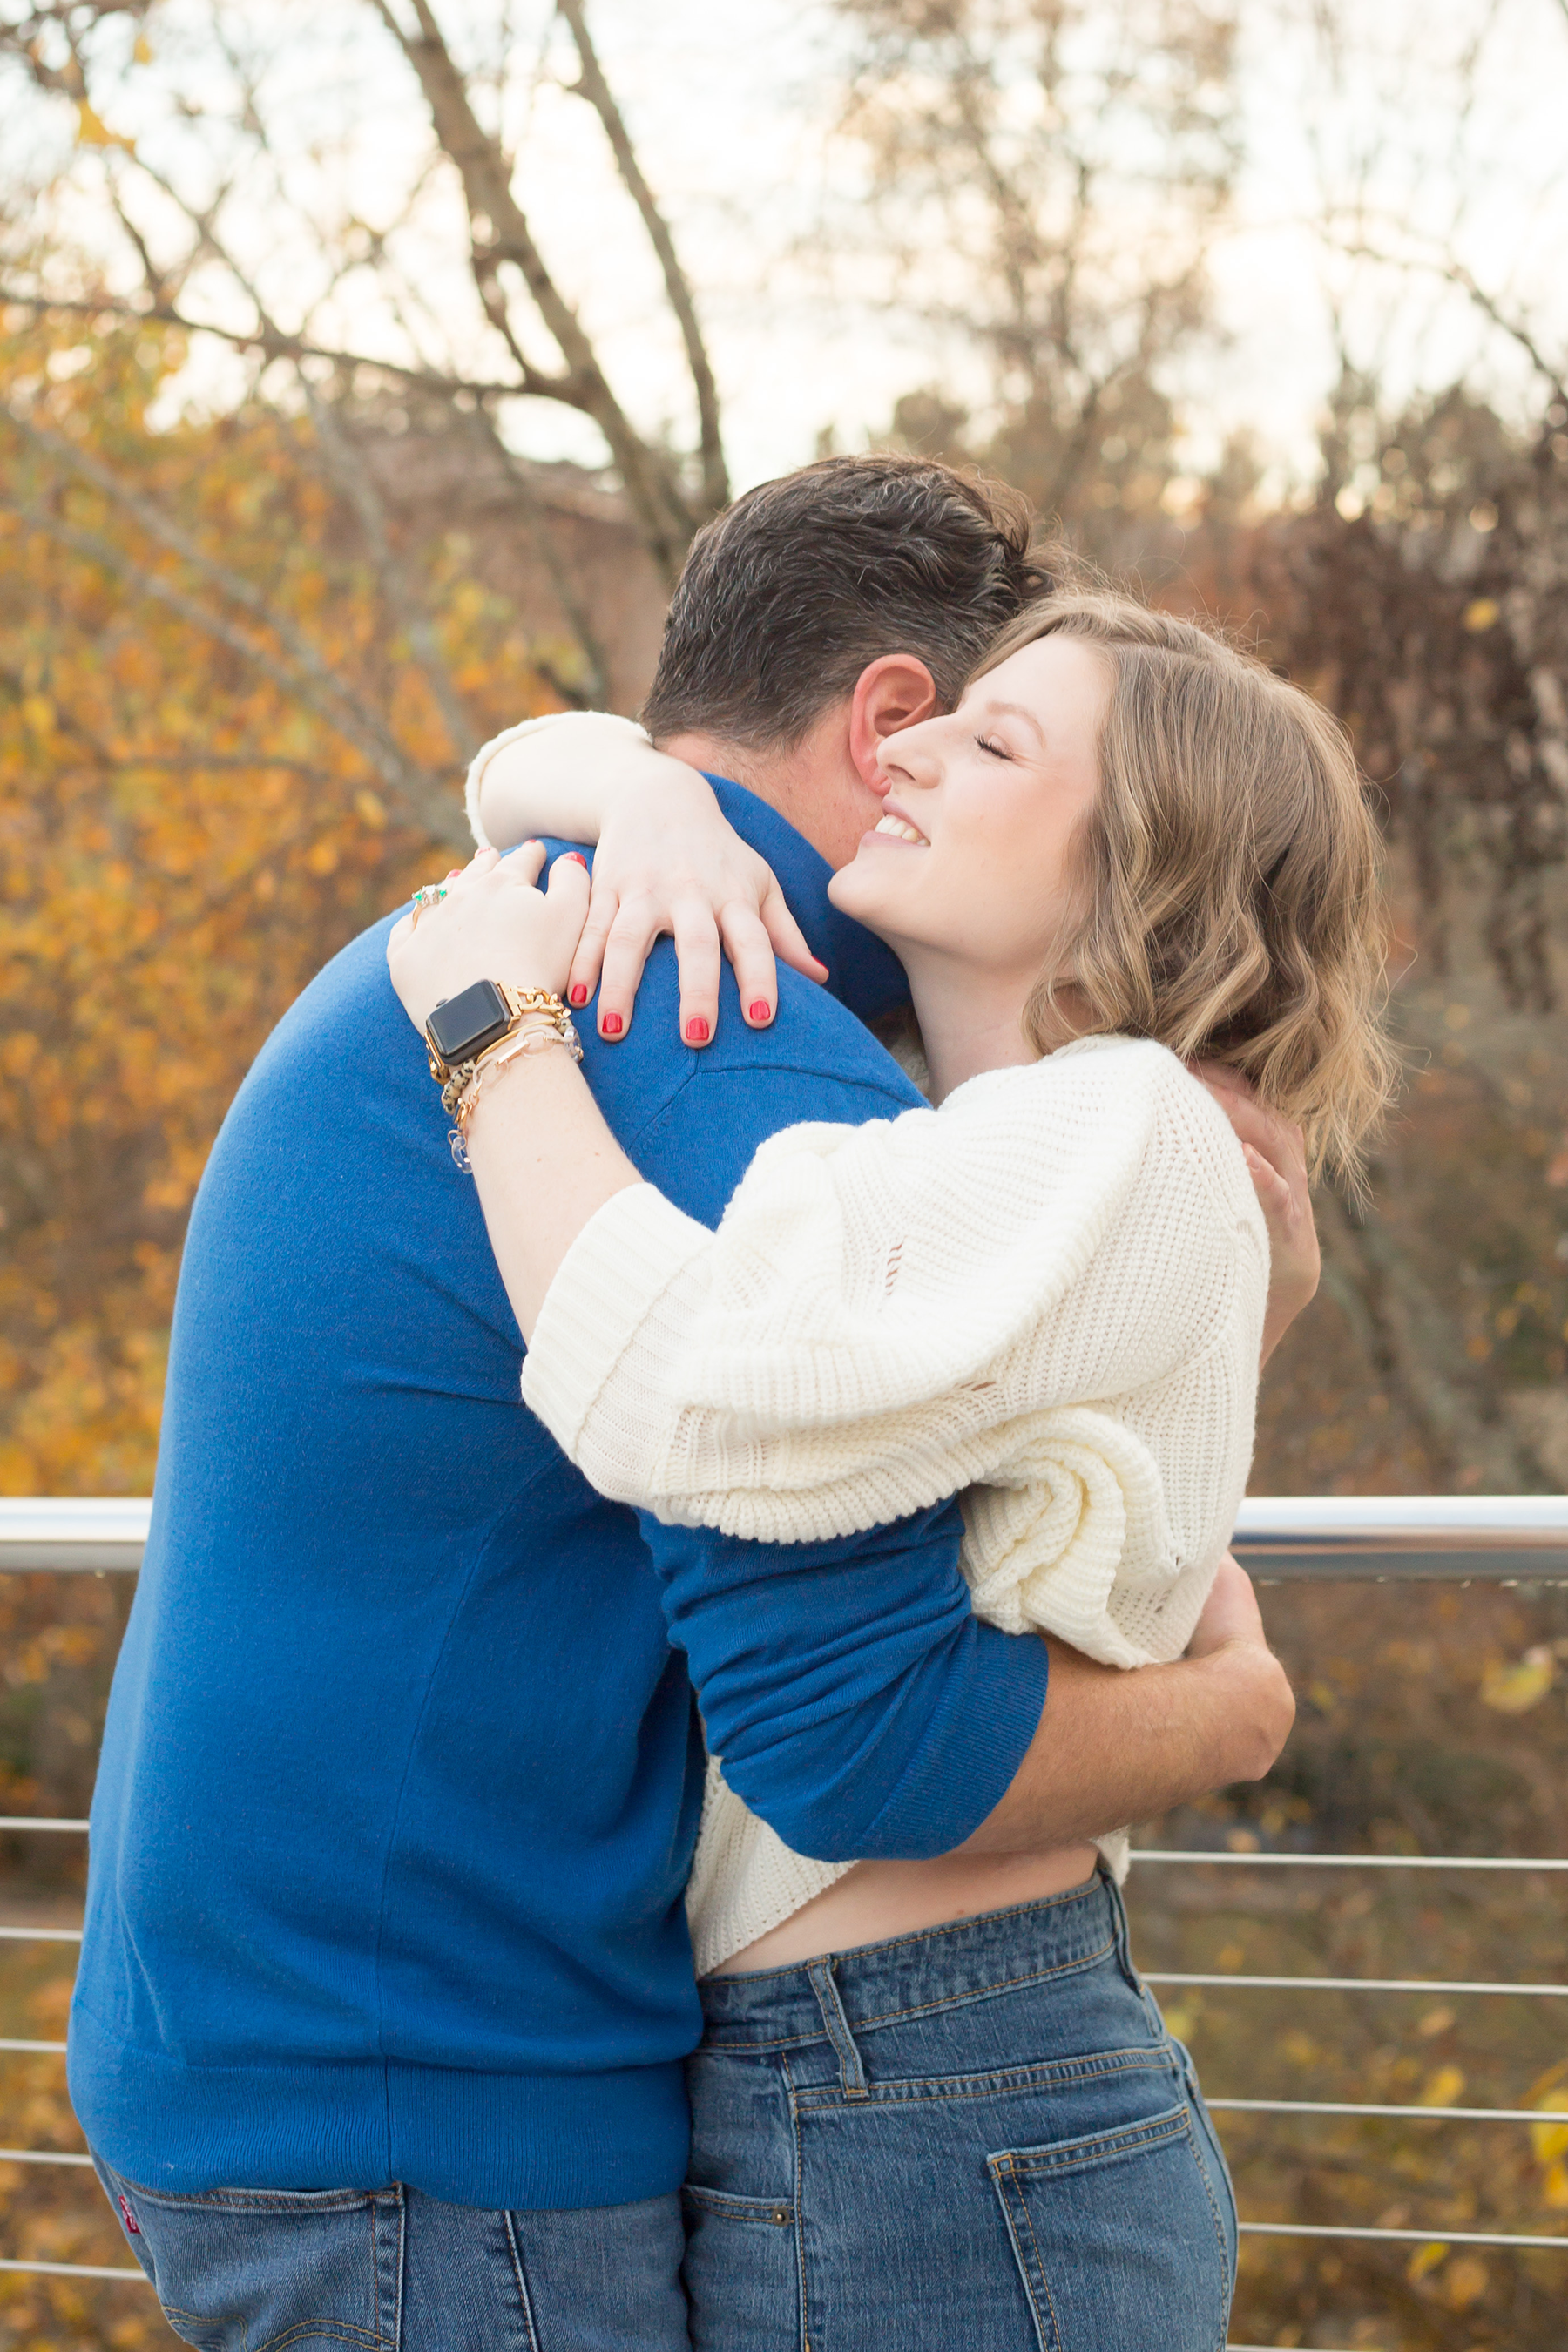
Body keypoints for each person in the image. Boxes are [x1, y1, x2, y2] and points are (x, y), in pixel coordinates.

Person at [74, 458, 1303, 2351]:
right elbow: (858, 1731)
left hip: (289, 2034)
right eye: (958, 733)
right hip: (431, 2095)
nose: (935, 778)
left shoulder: (560, 922)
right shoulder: (710, 1012)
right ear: (888, 722)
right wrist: (1232, 1710)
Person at [386, 585, 1392, 2349]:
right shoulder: (1035, 1149)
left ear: (1139, 872)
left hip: (939, 2087)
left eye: (992, 742)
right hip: (907, 2075)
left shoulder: (1120, 1122)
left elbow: (670, 1390)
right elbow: (514, 772)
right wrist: (656, 804)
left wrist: (492, 1032)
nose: (905, 746)